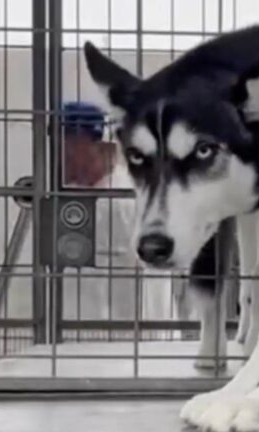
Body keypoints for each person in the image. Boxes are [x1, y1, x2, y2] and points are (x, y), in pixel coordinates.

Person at [58, 102, 167, 327]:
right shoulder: (96, 196)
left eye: (68, 144)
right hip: (115, 337)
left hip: (125, 338)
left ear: (100, 148)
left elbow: (119, 289)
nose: (59, 155)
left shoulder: (117, 201)